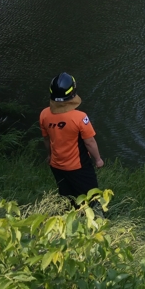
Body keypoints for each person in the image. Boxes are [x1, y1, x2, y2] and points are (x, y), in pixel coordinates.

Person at [39, 72, 104, 205]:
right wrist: (98, 159)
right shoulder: (80, 117)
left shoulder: (44, 114)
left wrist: (50, 156)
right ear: (72, 93)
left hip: (56, 165)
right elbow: (90, 142)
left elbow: (46, 139)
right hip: (78, 166)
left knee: (67, 198)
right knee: (91, 198)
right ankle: (96, 221)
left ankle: (70, 220)